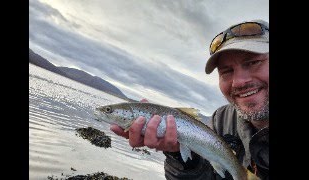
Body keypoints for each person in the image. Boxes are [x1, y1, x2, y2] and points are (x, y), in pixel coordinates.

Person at [110, 19, 269, 180]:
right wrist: (180, 157)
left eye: (253, 62)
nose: (239, 82)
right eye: (226, 71)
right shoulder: (220, 121)